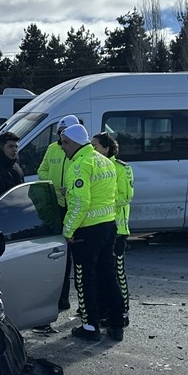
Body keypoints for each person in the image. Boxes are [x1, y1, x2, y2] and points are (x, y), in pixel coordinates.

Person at [60, 123, 125, 342]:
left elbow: (81, 201)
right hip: (108, 225)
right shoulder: (105, 161)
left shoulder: (80, 165)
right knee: (108, 275)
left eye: (65, 143)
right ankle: (116, 324)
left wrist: (67, 230)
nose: (62, 147)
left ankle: (90, 326)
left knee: (84, 278)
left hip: (87, 230)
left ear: (75, 143)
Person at [38, 114, 81, 311]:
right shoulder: (52, 149)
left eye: (66, 133)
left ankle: (67, 298)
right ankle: (58, 298)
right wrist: (54, 187)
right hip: (56, 205)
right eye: (61, 132)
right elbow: (42, 171)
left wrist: (69, 188)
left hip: (72, 205)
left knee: (72, 256)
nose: (62, 136)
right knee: (57, 254)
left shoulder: (78, 153)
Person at [92, 131, 133, 327]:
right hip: (101, 227)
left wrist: (103, 203)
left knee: (117, 272)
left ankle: (123, 310)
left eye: (96, 147)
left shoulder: (121, 169)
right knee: (103, 273)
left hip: (117, 228)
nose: (92, 150)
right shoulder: (93, 166)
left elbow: (125, 197)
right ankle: (104, 310)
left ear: (107, 148)